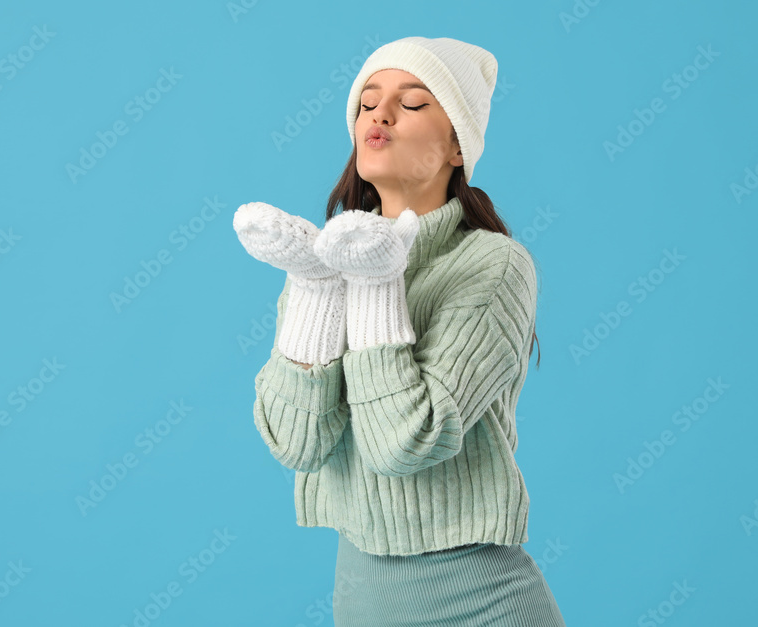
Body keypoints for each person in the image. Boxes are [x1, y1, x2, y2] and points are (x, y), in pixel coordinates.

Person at [233, 36, 567, 626]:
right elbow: (297, 444)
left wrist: (377, 280)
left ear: (458, 146)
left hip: (482, 602)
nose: (380, 115)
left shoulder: (493, 265)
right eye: (366, 103)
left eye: (412, 103)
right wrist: (315, 287)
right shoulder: (322, 262)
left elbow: (402, 443)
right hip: (363, 600)